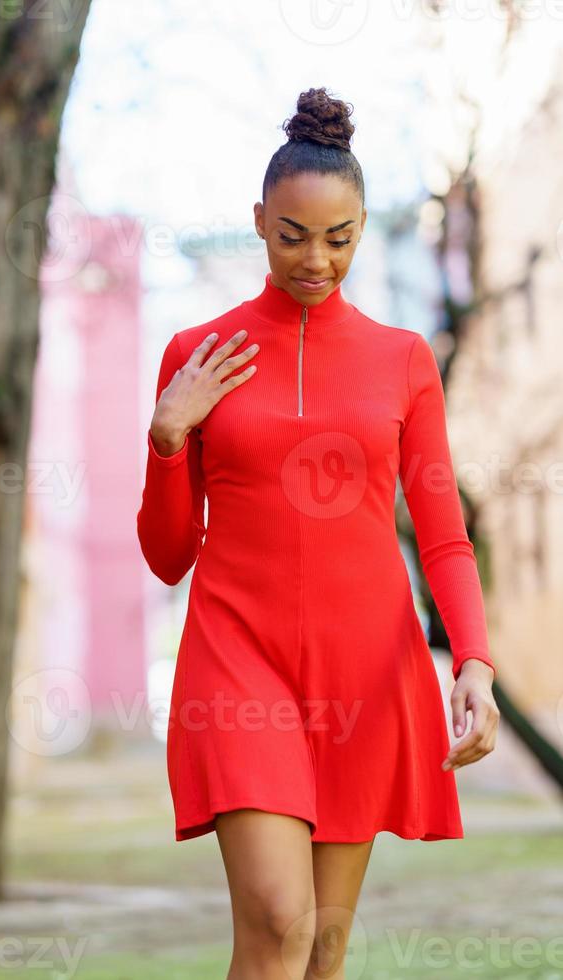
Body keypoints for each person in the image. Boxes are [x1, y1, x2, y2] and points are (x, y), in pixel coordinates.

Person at [136, 86, 500, 980]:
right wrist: (168, 438)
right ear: (259, 220)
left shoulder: (404, 361)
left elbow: (445, 535)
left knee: (324, 947)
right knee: (277, 923)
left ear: (363, 226)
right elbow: (170, 553)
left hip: (367, 667)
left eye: (338, 238)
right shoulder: (198, 353)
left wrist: (476, 665)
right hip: (239, 656)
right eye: (293, 233)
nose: (315, 259)